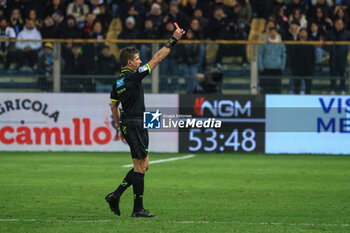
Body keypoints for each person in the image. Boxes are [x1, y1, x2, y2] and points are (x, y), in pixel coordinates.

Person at [105, 26, 185, 218]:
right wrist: (173, 40)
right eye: (138, 59)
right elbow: (157, 58)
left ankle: (115, 196)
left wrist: (120, 129)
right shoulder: (134, 76)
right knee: (140, 166)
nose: (141, 61)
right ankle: (137, 209)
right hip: (136, 122)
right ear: (130, 63)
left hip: (130, 123)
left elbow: (113, 108)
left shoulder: (117, 82)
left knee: (144, 165)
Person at [258, 27, 286, 94]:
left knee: (276, 86)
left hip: (277, 67)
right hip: (266, 68)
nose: (273, 33)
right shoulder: (264, 43)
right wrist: (261, 66)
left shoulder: (281, 44)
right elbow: (260, 54)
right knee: (266, 87)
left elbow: (284, 55)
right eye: (271, 32)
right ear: (269, 33)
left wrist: (282, 66)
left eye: (274, 32)